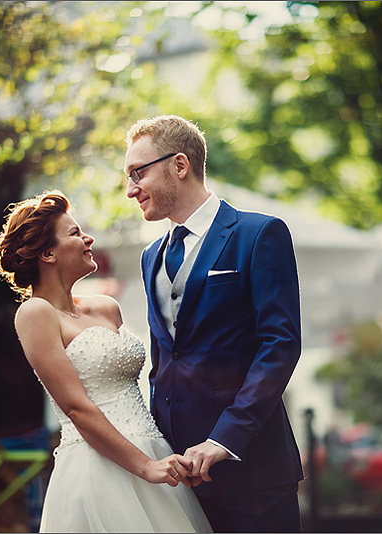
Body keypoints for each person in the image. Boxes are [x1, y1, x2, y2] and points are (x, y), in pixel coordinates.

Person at [124, 115, 304, 533]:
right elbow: (165, 361)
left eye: (138, 173)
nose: (131, 189)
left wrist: (225, 439)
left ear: (180, 165)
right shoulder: (151, 256)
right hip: (179, 476)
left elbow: (279, 346)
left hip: (254, 470)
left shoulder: (259, 234)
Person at [0, 191, 212, 533]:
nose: (88, 238)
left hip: (154, 446)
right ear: (47, 253)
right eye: (75, 233)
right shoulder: (35, 313)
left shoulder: (106, 307)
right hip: (99, 467)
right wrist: (145, 467)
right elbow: (76, 407)